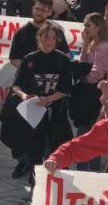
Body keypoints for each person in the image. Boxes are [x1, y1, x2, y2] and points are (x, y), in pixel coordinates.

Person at [4, 22, 74, 182]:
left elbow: (66, 88)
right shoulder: (30, 59)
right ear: (39, 38)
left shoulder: (62, 60)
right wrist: (24, 96)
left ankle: (56, 179)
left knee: (56, 146)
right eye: (46, 37)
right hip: (34, 112)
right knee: (33, 146)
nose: (49, 41)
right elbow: (16, 85)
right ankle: (33, 176)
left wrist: (48, 99)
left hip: (56, 112)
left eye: (53, 38)